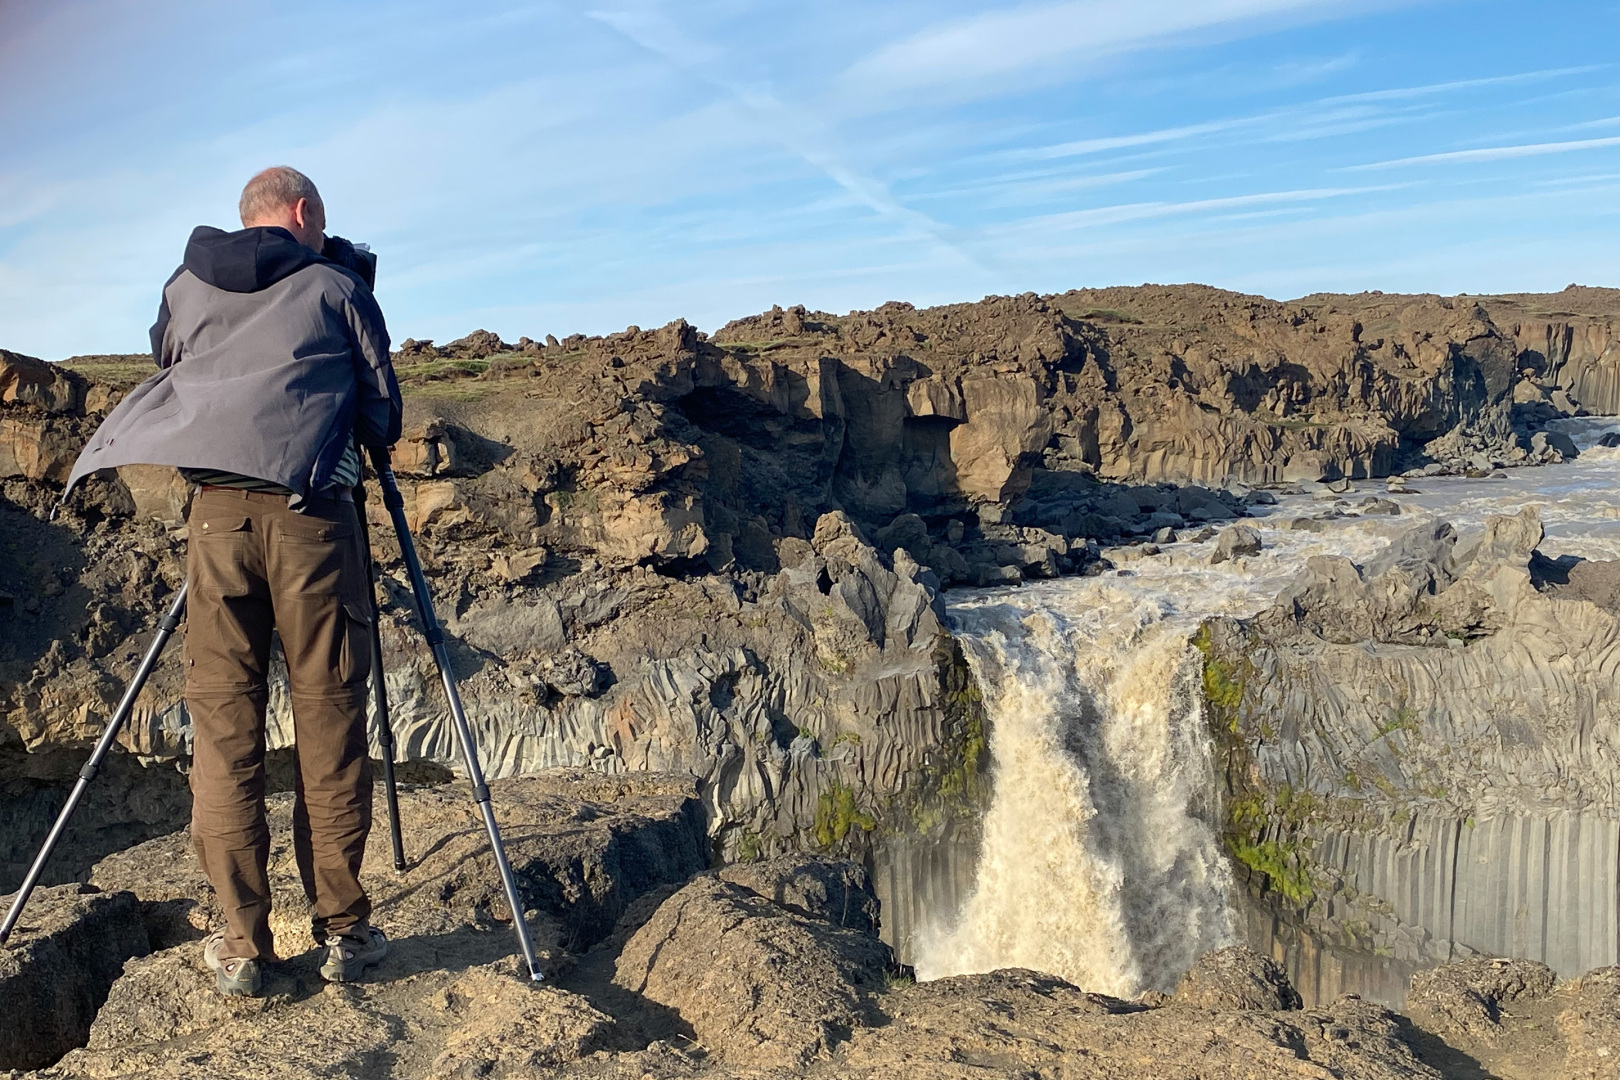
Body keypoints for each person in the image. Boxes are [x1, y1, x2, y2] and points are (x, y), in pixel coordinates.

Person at [65, 166, 403, 996]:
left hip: (214, 520)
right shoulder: (333, 284)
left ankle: (245, 946)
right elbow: (382, 413)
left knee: (224, 733)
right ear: (301, 213)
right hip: (314, 523)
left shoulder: (185, 286)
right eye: (319, 221)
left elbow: (172, 369)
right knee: (327, 722)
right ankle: (345, 933)